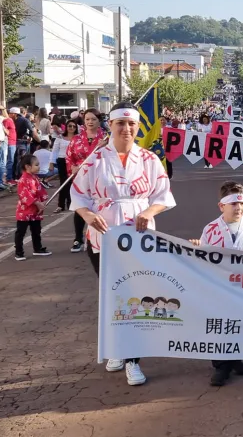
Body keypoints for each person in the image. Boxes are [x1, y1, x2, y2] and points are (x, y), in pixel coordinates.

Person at [71, 101, 176, 386]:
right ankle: (117, 349)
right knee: (111, 295)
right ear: (111, 126)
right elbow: (78, 196)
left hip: (140, 239)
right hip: (103, 238)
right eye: (120, 123)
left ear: (137, 127)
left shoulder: (150, 160)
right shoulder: (95, 159)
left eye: (131, 124)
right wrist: (89, 215)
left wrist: (148, 212)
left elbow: (163, 196)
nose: (126, 129)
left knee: (137, 297)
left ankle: (133, 359)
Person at [189, 183, 243, 386]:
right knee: (220, 325)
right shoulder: (211, 229)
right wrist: (197, 248)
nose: (239, 208)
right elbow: (203, 257)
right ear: (221, 206)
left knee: (239, 323)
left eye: (242, 203)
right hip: (218, 287)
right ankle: (221, 365)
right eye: (233, 203)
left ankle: (235, 357)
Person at [66, 109, 105, 253]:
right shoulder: (76, 139)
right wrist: (72, 167)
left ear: (99, 120)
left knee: (101, 208)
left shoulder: (107, 139)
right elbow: (69, 157)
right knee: (80, 207)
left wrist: (105, 147)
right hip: (80, 179)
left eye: (93, 119)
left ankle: (100, 238)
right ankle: (78, 238)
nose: (90, 122)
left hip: (100, 178)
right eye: (87, 119)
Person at [13, 153, 52, 261]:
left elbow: (40, 191)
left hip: (35, 210)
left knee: (36, 230)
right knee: (21, 232)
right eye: (36, 165)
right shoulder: (23, 180)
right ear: (28, 166)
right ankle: (19, 252)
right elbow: (24, 195)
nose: (38, 167)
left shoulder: (34, 178)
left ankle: (38, 248)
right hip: (24, 211)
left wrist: (42, 201)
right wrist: (37, 203)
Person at [53, 120, 78, 212]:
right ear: (66, 127)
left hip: (73, 162)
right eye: (69, 126)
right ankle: (61, 205)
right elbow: (54, 151)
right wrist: (51, 163)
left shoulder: (78, 138)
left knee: (72, 183)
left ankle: (71, 203)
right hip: (62, 160)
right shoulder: (60, 137)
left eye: (74, 126)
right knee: (63, 183)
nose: (71, 128)